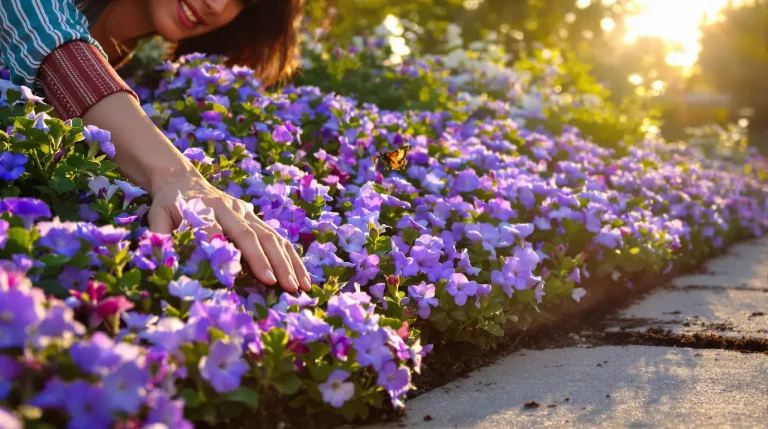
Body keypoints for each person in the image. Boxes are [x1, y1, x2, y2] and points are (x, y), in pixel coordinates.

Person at [0, 0, 312, 293]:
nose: (216, 5)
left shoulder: (136, 67)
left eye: (244, 1)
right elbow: (40, 29)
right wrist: (177, 176)